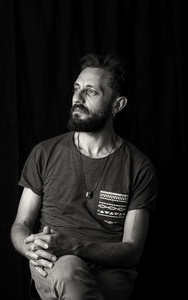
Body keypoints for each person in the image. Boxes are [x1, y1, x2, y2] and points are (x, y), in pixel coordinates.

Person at [11, 53, 157, 300]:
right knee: (69, 269)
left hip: (111, 274)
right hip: (55, 262)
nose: (77, 99)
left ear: (117, 105)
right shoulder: (45, 153)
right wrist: (33, 249)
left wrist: (76, 247)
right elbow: (21, 225)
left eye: (90, 92)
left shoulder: (139, 167)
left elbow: (132, 250)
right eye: (76, 89)